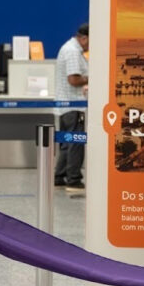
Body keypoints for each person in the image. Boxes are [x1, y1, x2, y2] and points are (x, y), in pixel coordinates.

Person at [54, 23, 89, 194]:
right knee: (76, 142)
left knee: (67, 143)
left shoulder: (68, 48)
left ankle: (59, 177)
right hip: (73, 105)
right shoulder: (73, 52)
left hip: (65, 105)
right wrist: (93, 77)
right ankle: (74, 180)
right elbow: (74, 80)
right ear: (84, 38)